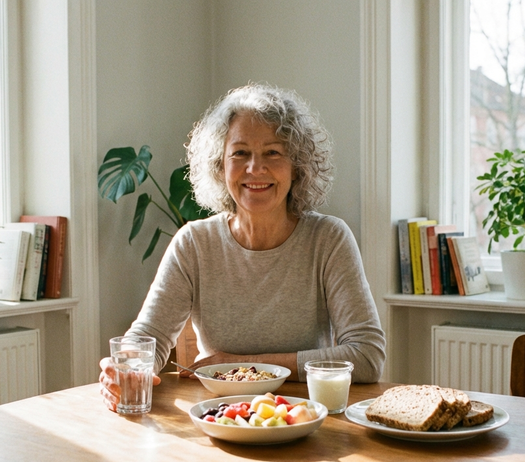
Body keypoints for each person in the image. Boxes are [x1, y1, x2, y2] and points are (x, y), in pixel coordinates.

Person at [99, 83, 386, 411]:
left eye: (273, 153)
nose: (255, 168)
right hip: (221, 418)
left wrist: (239, 364)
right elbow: (148, 335)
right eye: (240, 153)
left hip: (305, 419)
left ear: (297, 166)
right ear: (220, 166)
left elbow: (366, 356)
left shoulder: (328, 238)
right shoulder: (194, 243)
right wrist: (125, 370)